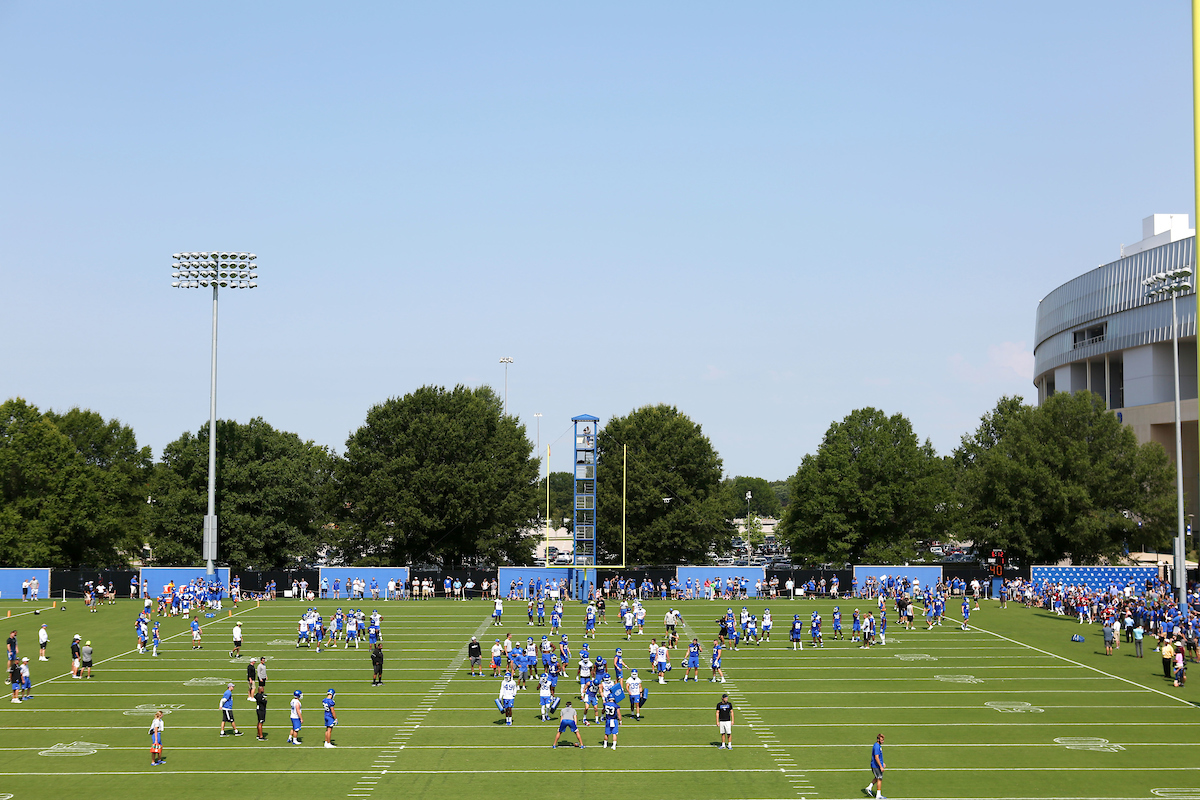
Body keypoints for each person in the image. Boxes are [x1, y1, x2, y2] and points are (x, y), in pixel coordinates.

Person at [866, 733, 887, 799]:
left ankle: (869, 787)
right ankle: (878, 795)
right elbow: (876, 757)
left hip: (877, 765)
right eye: (881, 740)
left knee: (877, 777)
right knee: (879, 779)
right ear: (878, 739)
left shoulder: (877, 746)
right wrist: (881, 766)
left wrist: (882, 763)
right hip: (876, 766)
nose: (883, 741)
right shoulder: (877, 747)